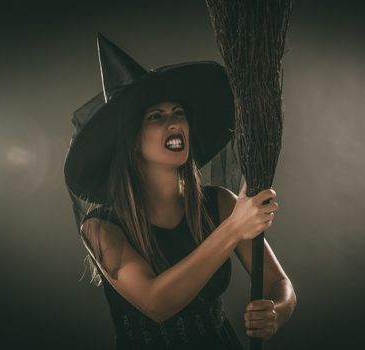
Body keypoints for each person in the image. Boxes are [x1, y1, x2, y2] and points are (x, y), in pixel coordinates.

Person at [64, 33, 296, 350]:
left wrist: (277, 312)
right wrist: (233, 228)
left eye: (178, 112)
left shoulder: (221, 204)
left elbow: (280, 285)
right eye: (156, 117)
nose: (174, 122)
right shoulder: (101, 228)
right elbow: (156, 303)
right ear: (132, 142)